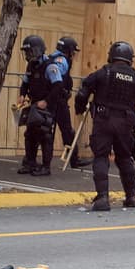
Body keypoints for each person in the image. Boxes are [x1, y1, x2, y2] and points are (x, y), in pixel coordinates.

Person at [74, 41, 135, 211]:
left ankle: (103, 197)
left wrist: (79, 109)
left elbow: (82, 93)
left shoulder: (104, 73)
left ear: (111, 56)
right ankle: (131, 196)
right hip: (126, 123)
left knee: (101, 157)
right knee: (125, 158)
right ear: (129, 59)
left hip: (104, 120)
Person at [16, 35, 63, 176]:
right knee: (30, 134)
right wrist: (22, 95)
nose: (27, 55)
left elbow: (58, 86)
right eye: (26, 52)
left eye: (29, 51)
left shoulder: (50, 66)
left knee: (45, 136)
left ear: (38, 50)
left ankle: (46, 167)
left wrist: (46, 101)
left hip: (47, 107)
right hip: (34, 105)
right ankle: (30, 163)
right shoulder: (31, 65)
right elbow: (25, 82)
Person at [48, 36, 88, 169]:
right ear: (68, 50)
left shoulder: (52, 57)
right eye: (73, 51)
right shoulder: (61, 60)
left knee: (46, 130)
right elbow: (57, 79)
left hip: (52, 100)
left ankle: (38, 162)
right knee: (67, 131)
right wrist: (64, 92)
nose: (74, 55)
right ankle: (74, 159)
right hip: (58, 101)